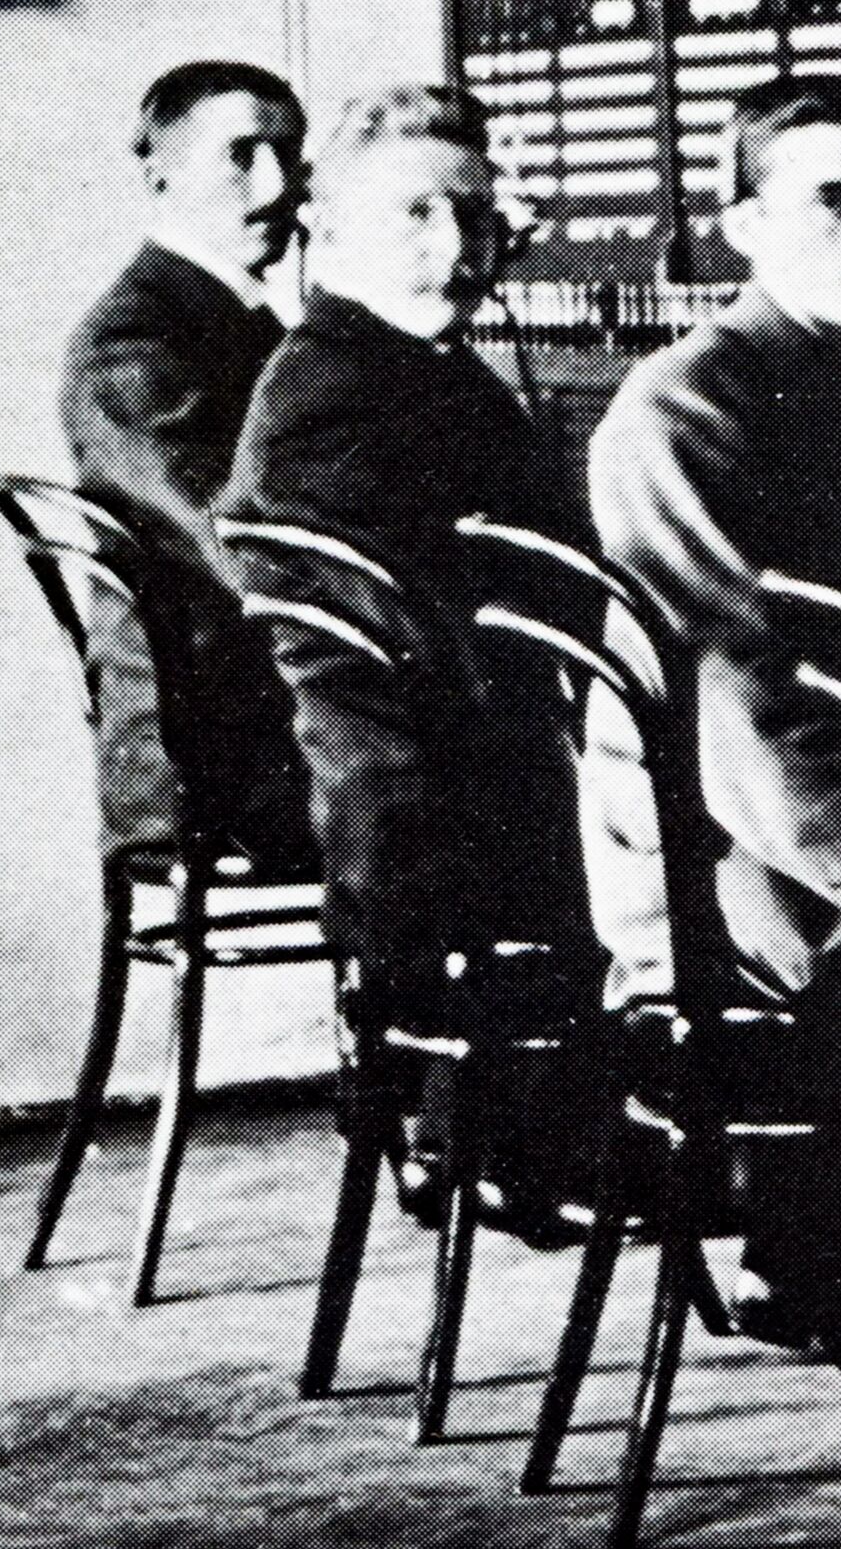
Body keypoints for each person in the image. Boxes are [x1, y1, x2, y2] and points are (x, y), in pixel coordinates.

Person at [584, 72, 841, 1352]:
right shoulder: (685, 406)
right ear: (741, 225)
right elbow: (753, 721)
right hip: (729, 859)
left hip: (815, 824)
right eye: (835, 201)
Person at [223, 83, 588, 1032]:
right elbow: (450, 645)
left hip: (472, 783)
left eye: (474, 214)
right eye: (416, 214)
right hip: (440, 820)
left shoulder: (416, 367)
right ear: (330, 231)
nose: (458, 245)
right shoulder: (332, 395)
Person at [58, 60, 318, 875]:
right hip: (215, 763)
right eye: (242, 154)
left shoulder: (246, 321)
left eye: (289, 153)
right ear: (159, 175)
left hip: (269, 719)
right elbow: (239, 539)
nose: (277, 185)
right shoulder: (132, 342)